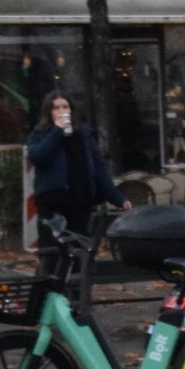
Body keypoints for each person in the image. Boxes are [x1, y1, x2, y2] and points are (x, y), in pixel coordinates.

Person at [24, 91, 126, 252]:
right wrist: (57, 131)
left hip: (80, 201)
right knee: (53, 250)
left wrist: (117, 198)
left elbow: (99, 169)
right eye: (56, 108)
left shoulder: (83, 135)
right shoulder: (39, 134)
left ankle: (78, 275)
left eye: (65, 107)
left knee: (79, 248)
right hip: (53, 202)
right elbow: (38, 156)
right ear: (48, 112)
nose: (61, 111)